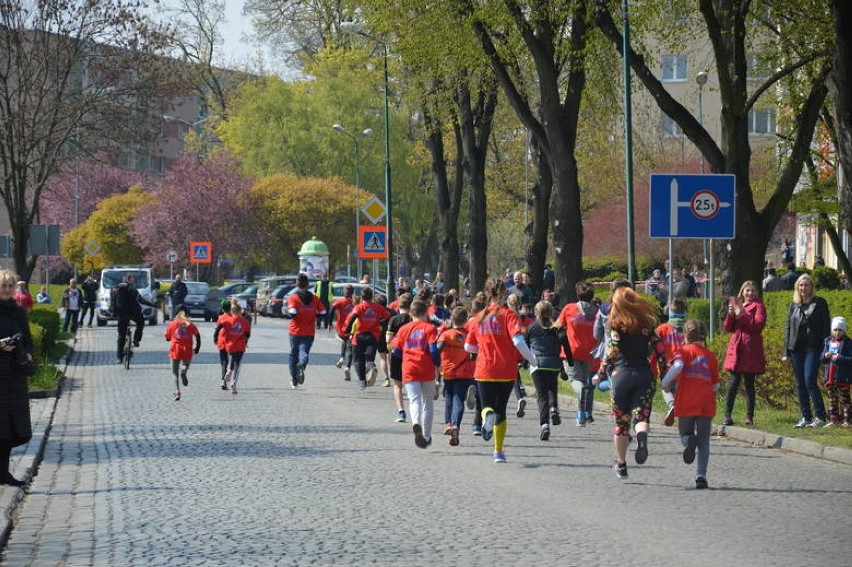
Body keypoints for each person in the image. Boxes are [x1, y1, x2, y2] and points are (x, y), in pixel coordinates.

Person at [593, 287, 666, 480]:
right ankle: (642, 436)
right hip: (644, 375)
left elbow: (613, 350)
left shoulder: (615, 325)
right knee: (641, 417)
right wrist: (664, 373)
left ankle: (621, 464)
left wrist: (600, 374)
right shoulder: (647, 325)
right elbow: (659, 348)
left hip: (621, 376)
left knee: (621, 424)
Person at [464, 279, 537, 463]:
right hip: (506, 370)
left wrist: (483, 347)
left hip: (484, 369)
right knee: (501, 410)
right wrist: (532, 359)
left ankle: (486, 414)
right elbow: (518, 341)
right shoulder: (509, 315)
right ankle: (498, 452)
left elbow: (468, 347)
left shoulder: (478, 317)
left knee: (486, 405)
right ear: (504, 293)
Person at [660, 319, 721, 489]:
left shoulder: (682, 352)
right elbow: (716, 385)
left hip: (686, 401)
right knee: (704, 442)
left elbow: (677, 366)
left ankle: (688, 441)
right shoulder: (711, 356)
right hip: (705, 404)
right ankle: (701, 476)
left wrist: (665, 382)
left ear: (685, 335)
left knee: (684, 433)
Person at [0, 270, 35, 486]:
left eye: (10, 286)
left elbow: (29, 340)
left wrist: (27, 351)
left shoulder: (19, 313)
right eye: (3, 286)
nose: (6, 290)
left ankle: (3, 473)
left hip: (14, 376)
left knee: (12, 429)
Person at [782, 274, 831, 427]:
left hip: (813, 348)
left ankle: (820, 417)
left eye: (806, 285)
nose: (803, 288)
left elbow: (825, 327)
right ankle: (806, 416)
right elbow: (788, 329)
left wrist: (825, 348)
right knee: (800, 383)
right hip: (796, 348)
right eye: (801, 285)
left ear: (812, 287)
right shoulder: (794, 305)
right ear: (797, 287)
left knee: (810, 380)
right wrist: (786, 352)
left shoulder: (820, 303)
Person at [393, 300, 441, 448]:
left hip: (409, 368)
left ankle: (416, 424)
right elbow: (433, 350)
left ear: (410, 313)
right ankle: (426, 436)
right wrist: (437, 364)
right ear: (426, 313)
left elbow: (396, 352)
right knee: (428, 402)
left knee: (414, 400)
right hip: (425, 368)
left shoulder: (404, 329)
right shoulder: (430, 328)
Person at [722, 281, 767, 426]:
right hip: (737, 347)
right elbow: (728, 328)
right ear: (742, 292)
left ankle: (749, 416)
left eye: (753, 291)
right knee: (733, 383)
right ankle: (727, 415)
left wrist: (741, 314)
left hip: (750, 349)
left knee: (749, 384)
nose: (750, 293)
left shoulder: (759, 306)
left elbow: (758, 325)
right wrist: (730, 315)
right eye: (747, 290)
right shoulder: (737, 304)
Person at [526, 300, 572, 441]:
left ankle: (545, 424)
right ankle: (554, 408)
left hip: (537, 363)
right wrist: (569, 362)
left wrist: (523, 361)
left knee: (542, 396)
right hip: (553, 363)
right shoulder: (557, 328)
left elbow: (526, 345)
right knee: (552, 387)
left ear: (536, 311)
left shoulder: (532, 327)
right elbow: (566, 345)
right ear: (551, 312)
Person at [558, 281, 599, 427]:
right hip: (589, 352)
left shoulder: (569, 308)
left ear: (577, 294)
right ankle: (581, 416)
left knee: (576, 381)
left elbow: (558, 325)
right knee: (584, 381)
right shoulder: (596, 312)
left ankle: (582, 395)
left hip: (571, 352)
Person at [436, 306, 476, 446]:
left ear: (451, 319)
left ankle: (448, 424)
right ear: (466, 320)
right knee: (459, 399)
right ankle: (455, 426)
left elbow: (437, 350)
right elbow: (474, 354)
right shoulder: (469, 335)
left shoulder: (446, 334)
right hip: (465, 372)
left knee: (448, 398)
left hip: (448, 372)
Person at [343, 286, 392, 389]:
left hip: (359, 336)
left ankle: (362, 382)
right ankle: (370, 364)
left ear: (362, 296)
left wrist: (347, 330)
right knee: (370, 355)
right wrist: (380, 322)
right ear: (372, 296)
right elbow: (388, 316)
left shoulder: (359, 307)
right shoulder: (378, 307)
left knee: (358, 359)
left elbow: (353, 317)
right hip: (373, 336)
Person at [284, 273, 326, 389]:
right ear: (307, 284)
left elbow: (292, 312)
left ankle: (294, 380)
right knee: (304, 352)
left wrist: (287, 313)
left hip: (295, 331)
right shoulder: (315, 298)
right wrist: (316, 317)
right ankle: (302, 364)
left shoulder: (293, 298)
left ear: (297, 284)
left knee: (293, 354)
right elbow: (323, 312)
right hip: (309, 331)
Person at [655, 297, 688, 427]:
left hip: (666, 368)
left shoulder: (662, 329)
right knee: (681, 393)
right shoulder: (688, 328)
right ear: (684, 313)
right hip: (684, 369)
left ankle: (672, 405)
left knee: (666, 389)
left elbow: (654, 346)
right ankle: (684, 418)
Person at [112, 274, 156, 364]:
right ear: (129, 280)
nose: (134, 281)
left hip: (121, 313)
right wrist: (152, 304)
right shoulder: (131, 288)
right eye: (133, 279)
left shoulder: (116, 288)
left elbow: (113, 301)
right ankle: (136, 339)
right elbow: (140, 299)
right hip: (133, 312)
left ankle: (119, 357)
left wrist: (114, 313)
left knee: (121, 335)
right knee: (140, 323)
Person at [164, 304, 200, 401]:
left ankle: (177, 391)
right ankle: (184, 369)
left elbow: (167, 337)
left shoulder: (173, 323)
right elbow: (197, 335)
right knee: (186, 363)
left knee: (174, 373)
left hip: (175, 349)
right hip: (187, 348)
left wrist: (168, 337)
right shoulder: (189, 324)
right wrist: (197, 347)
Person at [386, 294, 413, 423]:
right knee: (411, 384)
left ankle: (401, 411)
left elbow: (388, 340)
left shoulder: (393, 320)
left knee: (397, 384)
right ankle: (415, 408)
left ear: (398, 305)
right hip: (413, 354)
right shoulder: (414, 320)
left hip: (397, 354)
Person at [822, 317, 851, 427]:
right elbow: (821, 359)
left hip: (843, 377)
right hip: (830, 376)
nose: (837, 332)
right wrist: (825, 356)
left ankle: (847, 420)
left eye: (840, 330)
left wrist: (839, 358)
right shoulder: (827, 341)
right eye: (835, 330)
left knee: (845, 400)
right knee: (832, 400)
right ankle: (834, 420)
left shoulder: (848, 343)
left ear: (844, 330)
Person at [506, 293, 530, 417]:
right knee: (514, 373)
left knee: (511, 375)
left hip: (509, 348)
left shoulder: (506, 315)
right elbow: (528, 330)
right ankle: (520, 391)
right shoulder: (523, 317)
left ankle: (519, 395)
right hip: (521, 349)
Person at [220, 298, 251, 394]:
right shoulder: (245, 321)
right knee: (238, 364)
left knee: (233, 358)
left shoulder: (227, 320)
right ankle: (234, 382)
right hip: (240, 344)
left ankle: (229, 371)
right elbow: (247, 334)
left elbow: (221, 329)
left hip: (230, 345)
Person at [331, 285, 356, 381]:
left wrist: (329, 323)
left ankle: (342, 357)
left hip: (342, 328)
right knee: (350, 349)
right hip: (352, 329)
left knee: (344, 342)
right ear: (352, 292)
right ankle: (347, 367)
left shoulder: (339, 301)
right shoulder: (354, 303)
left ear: (343, 292)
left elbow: (332, 310)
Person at [213, 299, 232, 390]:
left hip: (222, 341)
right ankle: (232, 378)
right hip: (233, 341)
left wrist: (215, 339)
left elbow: (217, 329)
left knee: (224, 362)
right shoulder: (234, 317)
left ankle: (223, 380)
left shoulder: (221, 318)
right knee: (234, 362)